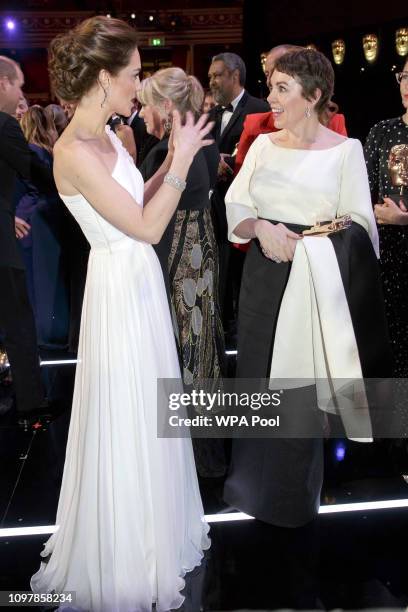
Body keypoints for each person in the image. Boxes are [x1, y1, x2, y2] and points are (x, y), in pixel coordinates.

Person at [30, 16, 212, 611]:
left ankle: (155, 531)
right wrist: (182, 160)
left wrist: (166, 161)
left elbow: (136, 197)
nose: (141, 86)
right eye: (134, 76)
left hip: (141, 284)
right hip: (119, 287)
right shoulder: (73, 151)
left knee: (149, 408)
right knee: (126, 411)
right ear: (104, 77)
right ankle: (126, 553)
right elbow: (145, 226)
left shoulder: (111, 134)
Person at [223, 49, 391, 529]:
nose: (270, 98)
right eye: (271, 86)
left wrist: (308, 248)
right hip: (262, 276)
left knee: (299, 389)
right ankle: (249, 485)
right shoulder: (261, 145)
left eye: (281, 89)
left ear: (314, 96)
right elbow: (237, 205)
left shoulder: (346, 150)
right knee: (257, 379)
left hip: (314, 278)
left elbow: (361, 227)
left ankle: (292, 499)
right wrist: (260, 228)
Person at [138, 67, 225, 477]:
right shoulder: (202, 145)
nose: (142, 114)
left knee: (184, 351)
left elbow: (141, 213)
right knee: (199, 349)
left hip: (179, 262)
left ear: (166, 106)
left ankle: (186, 461)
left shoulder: (166, 154)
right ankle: (202, 456)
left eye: (146, 106)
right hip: (199, 259)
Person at [0, 56, 54, 419]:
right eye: (19, 84)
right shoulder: (4, 125)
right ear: (3, 83)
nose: (21, 93)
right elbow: (35, 171)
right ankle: (31, 404)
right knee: (18, 318)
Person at [207, 52, 269, 338]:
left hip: (248, 209)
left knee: (241, 273)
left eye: (217, 75)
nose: (212, 81)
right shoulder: (209, 115)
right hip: (215, 207)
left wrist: (229, 163)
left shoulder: (261, 108)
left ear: (235, 75)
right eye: (209, 77)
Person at [235, 44, 348, 174]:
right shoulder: (255, 126)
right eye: (267, 73)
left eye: (280, 69)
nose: (269, 80)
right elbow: (240, 178)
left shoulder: (335, 125)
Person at [364, 58, 408, 377]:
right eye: (404, 76)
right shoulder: (383, 131)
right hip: (388, 257)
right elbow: (360, 190)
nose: (406, 85)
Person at [16, 105, 69, 348]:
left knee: (35, 279)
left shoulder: (31, 152)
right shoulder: (48, 151)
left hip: (30, 219)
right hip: (44, 217)